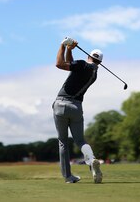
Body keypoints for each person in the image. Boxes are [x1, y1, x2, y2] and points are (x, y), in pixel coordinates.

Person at [52, 37, 103, 184]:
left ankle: (68, 177)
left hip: (60, 104)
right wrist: (69, 49)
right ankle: (92, 159)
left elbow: (59, 64)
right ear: (99, 62)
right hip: (76, 107)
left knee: (63, 142)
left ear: (88, 56)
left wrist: (62, 45)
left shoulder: (82, 64)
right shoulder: (94, 73)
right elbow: (71, 64)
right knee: (80, 140)